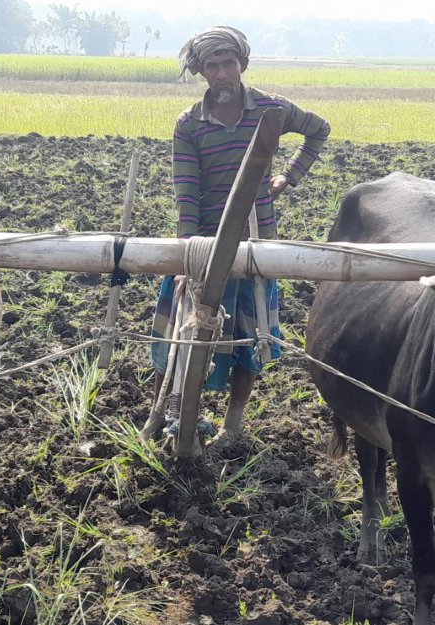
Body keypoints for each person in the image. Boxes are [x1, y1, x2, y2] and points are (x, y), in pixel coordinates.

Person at [150, 26, 330, 442]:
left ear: (242, 65)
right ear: (200, 72)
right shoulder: (190, 124)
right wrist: (184, 257)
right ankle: (160, 412)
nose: (222, 73)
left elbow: (319, 129)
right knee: (176, 330)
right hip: (203, 243)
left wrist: (288, 177)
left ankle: (232, 425)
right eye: (212, 65)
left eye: (229, 63)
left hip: (256, 241)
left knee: (251, 336)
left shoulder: (271, 110)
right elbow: (187, 193)